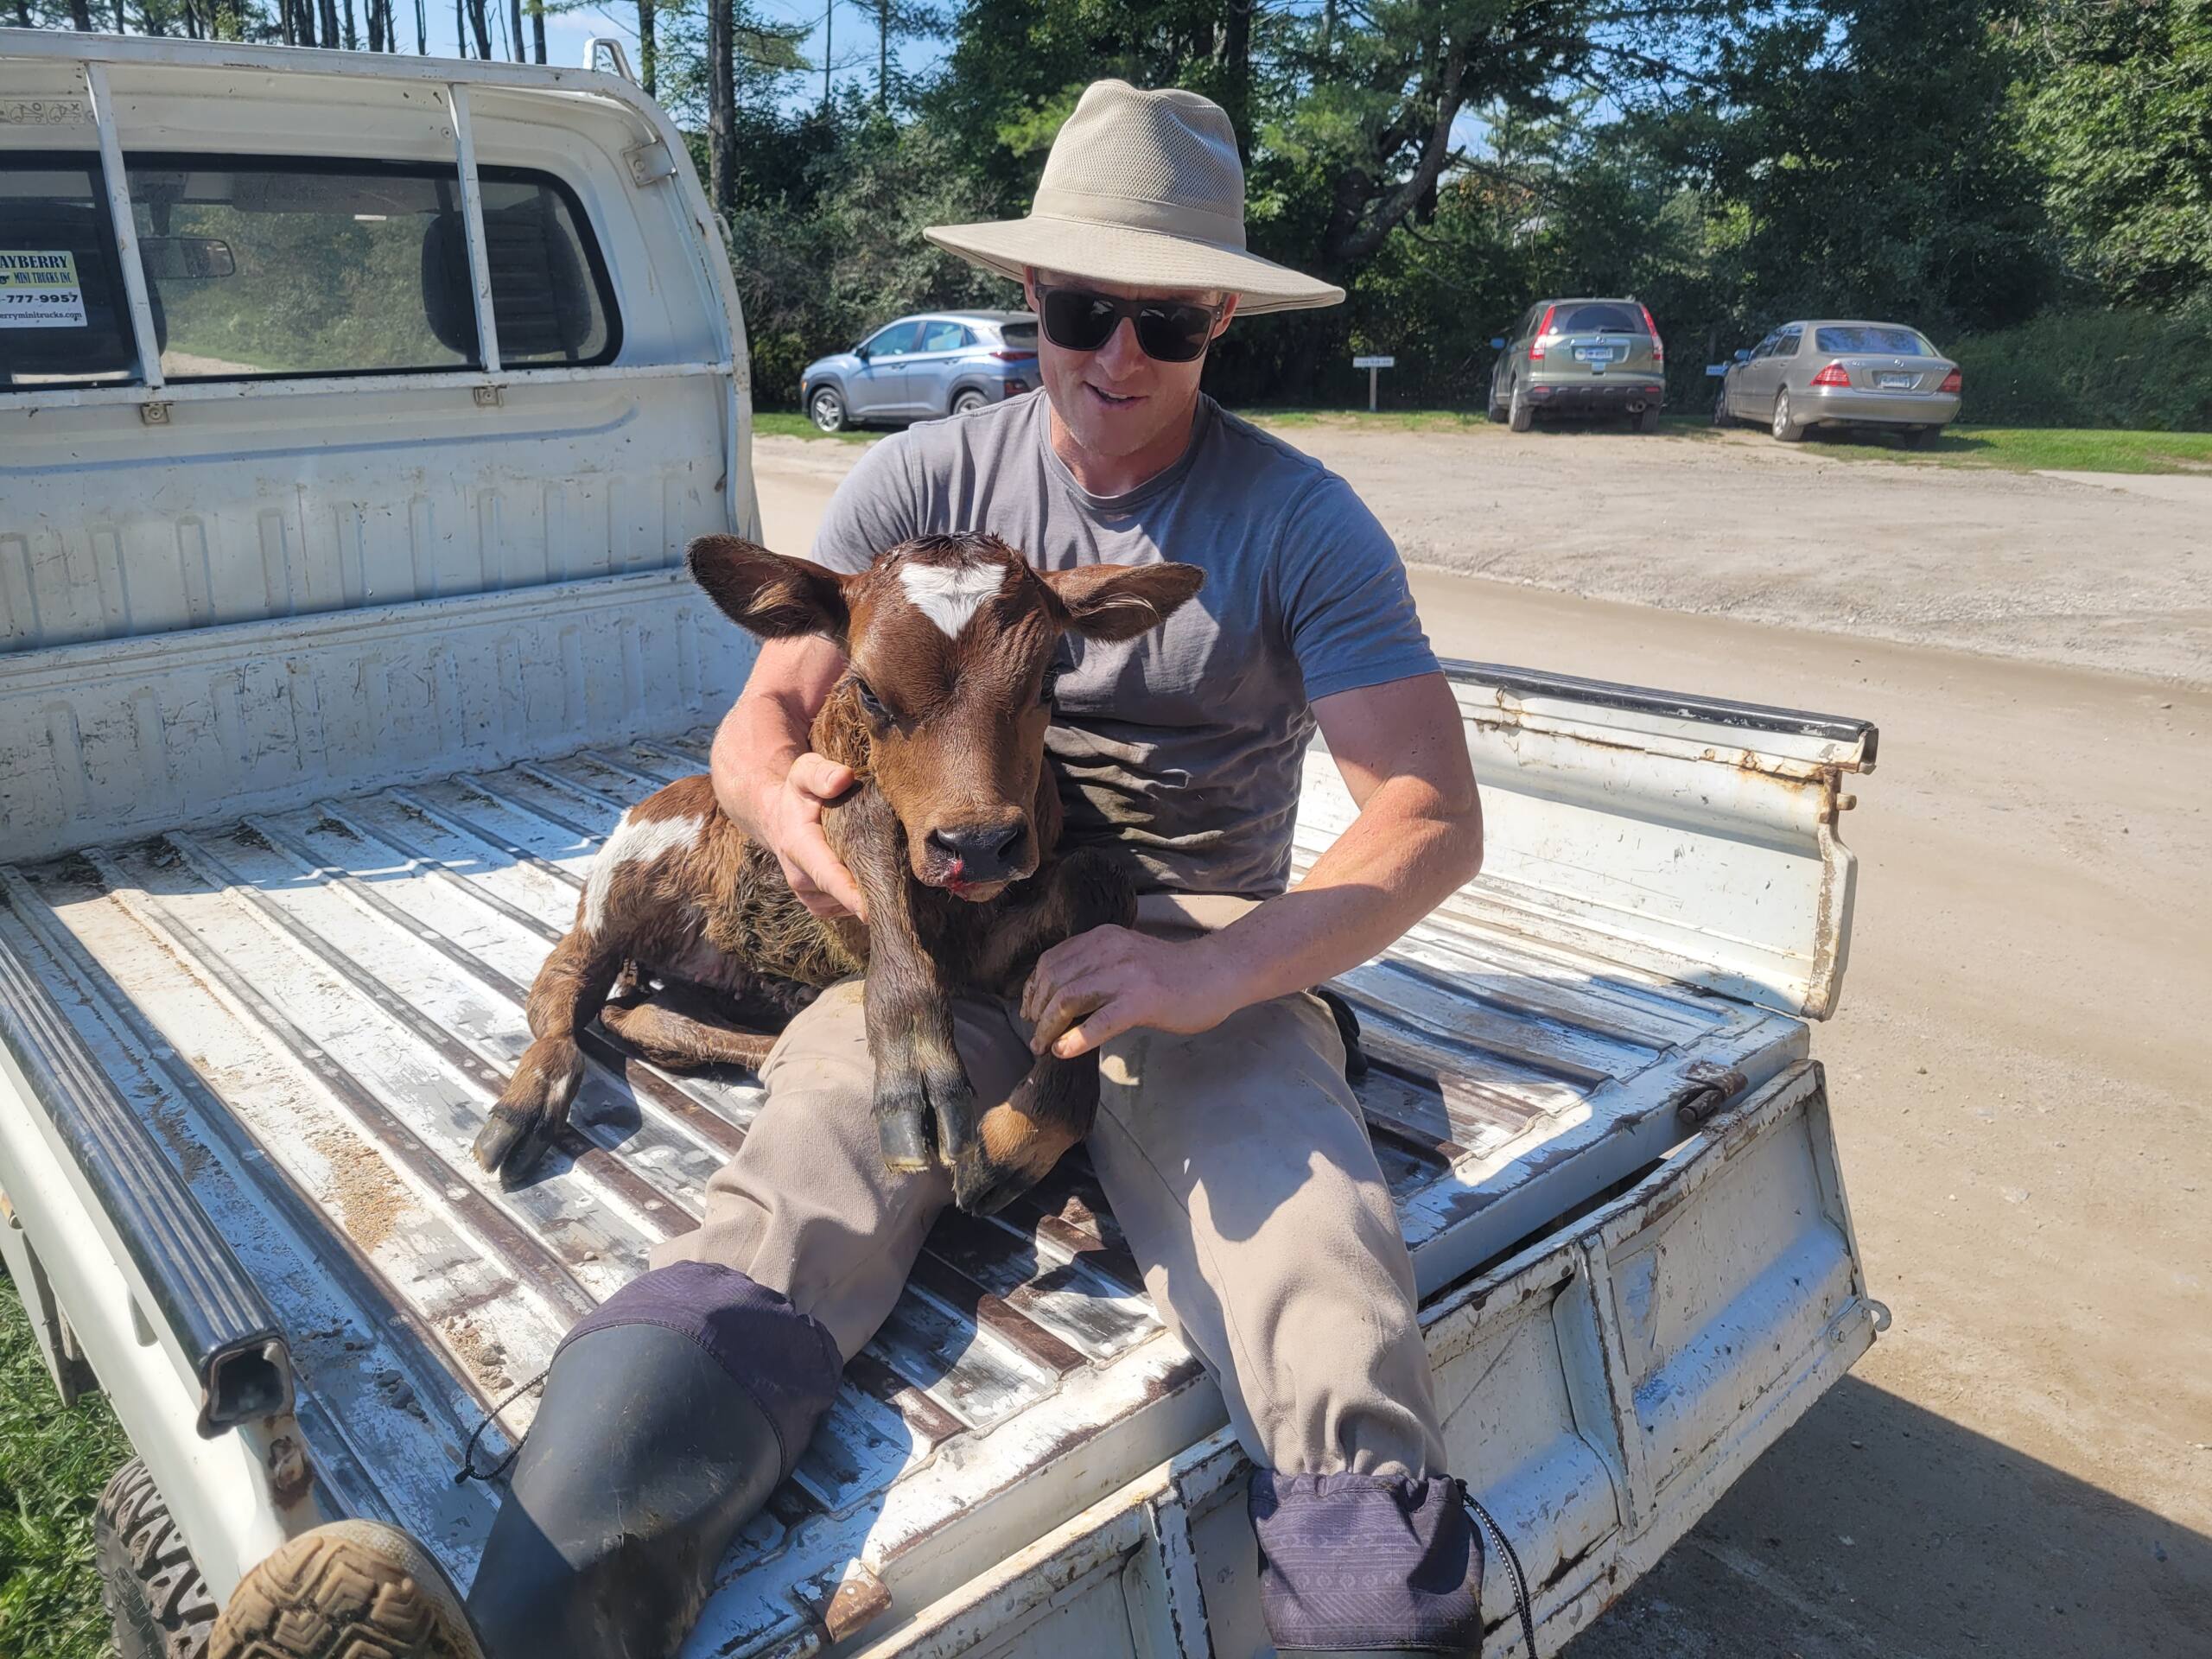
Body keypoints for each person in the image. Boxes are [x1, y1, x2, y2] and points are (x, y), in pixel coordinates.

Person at [213, 79, 1493, 1659]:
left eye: (1167, 322)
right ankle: (543, 1610)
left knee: (1302, 1232)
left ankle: (1379, 1624)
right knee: (800, 1175)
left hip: (1183, 939)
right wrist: (795, 826)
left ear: (1222, 317)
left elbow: (1429, 812)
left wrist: (1223, 966)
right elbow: (762, 725)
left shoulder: (1297, 522)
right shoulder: (918, 486)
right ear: (1030, 291)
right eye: (1082, 308)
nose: (1116, 355)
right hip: (941, 934)